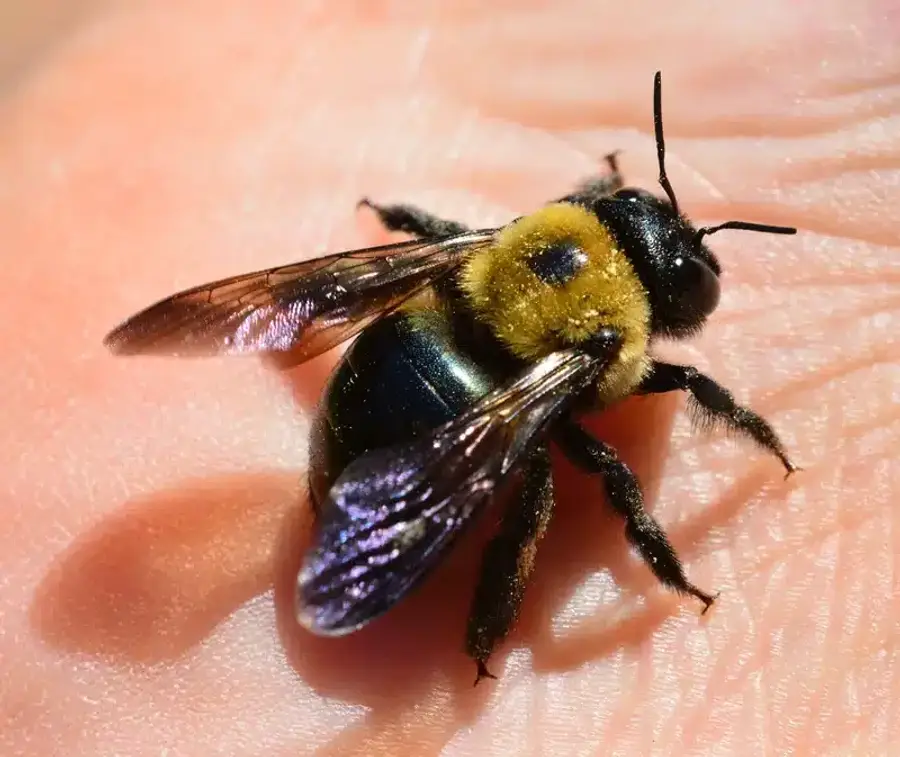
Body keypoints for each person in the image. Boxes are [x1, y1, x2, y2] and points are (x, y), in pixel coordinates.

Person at [1, 4, 894, 755]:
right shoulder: (591, 349)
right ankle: (483, 635)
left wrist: (408, 221)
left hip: (387, 374)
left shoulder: (505, 245)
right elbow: (639, 455)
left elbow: (330, 285)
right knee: (547, 485)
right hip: (420, 424)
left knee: (502, 408)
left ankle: (470, 621)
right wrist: (721, 487)